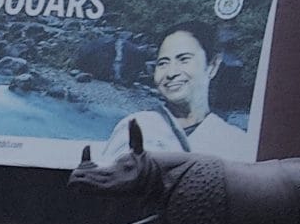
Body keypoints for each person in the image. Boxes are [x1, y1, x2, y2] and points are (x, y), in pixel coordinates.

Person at [103, 22, 255, 160]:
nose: (171, 73)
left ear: (213, 65)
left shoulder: (235, 142)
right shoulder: (135, 127)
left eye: (184, 59)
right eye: (163, 63)